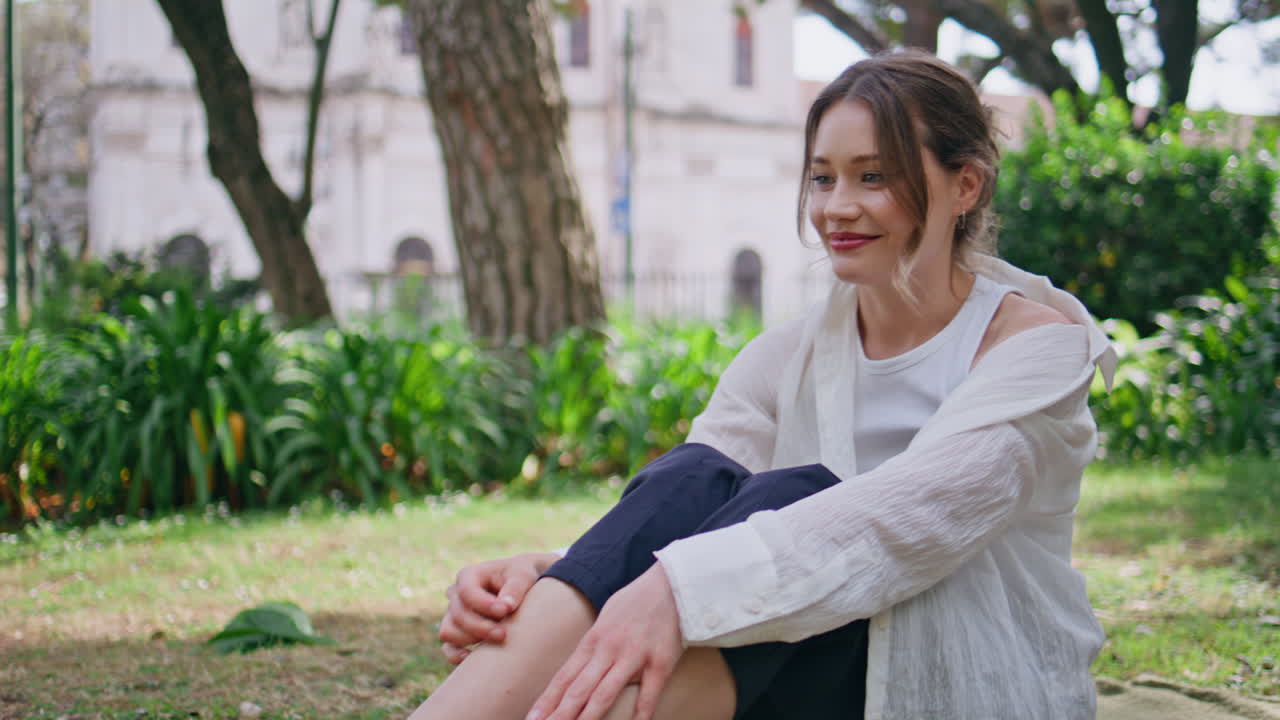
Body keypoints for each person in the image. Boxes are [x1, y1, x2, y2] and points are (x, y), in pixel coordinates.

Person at [408, 49, 1116, 720]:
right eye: (823, 178)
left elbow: (904, 522)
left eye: (874, 177)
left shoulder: (1034, 348)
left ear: (966, 185)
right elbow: (684, 516)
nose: (837, 207)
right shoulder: (786, 354)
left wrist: (674, 589)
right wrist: (553, 576)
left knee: (796, 497)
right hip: (791, 655)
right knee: (693, 476)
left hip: (955, 671)